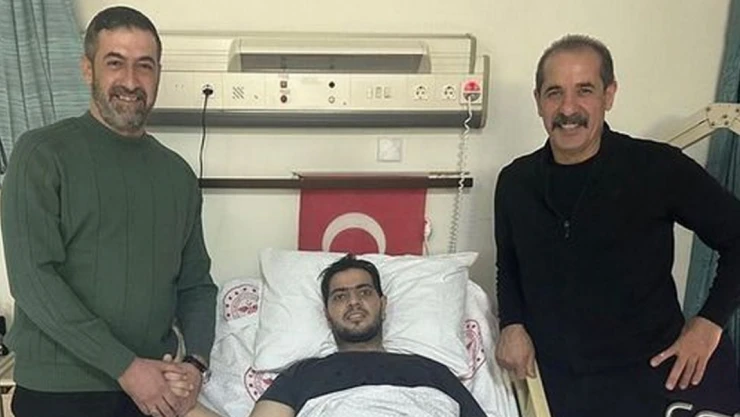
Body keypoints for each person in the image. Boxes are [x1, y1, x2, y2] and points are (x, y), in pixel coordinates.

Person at [493, 34, 740, 416]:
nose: (568, 108)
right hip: (563, 383)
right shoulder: (515, 183)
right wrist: (512, 324)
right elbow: (509, 265)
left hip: (656, 373)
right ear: (538, 100)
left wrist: (710, 323)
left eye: (585, 90)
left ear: (609, 95)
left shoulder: (657, 168)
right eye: (555, 92)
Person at [1, 6, 217, 417]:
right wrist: (126, 368)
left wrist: (196, 364)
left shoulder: (177, 176)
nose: (131, 81)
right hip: (59, 392)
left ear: (158, 74)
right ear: (88, 70)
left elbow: (197, 286)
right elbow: (33, 281)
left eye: (144, 66)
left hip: (153, 388)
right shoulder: (41, 154)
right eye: (115, 63)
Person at [243, 254, 486, 417]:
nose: (354, 302)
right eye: (340, 296)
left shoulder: (433, 371)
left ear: (383, 304)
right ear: (327, 314)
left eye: (364, 292)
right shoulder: (301, 374)